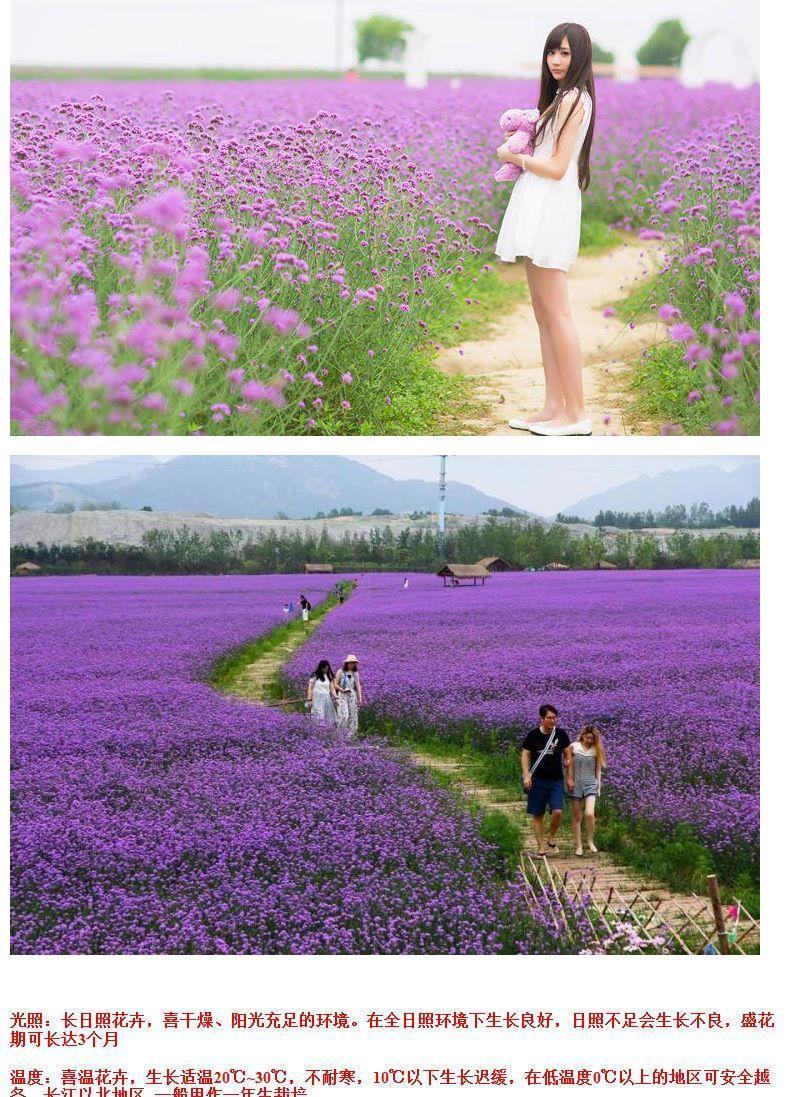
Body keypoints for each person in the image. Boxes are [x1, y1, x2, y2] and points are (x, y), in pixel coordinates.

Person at [494, 22, 596, 437]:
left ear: (581, 58)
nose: (556, 60)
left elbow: (556, 168)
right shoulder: (559, 98)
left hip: (550, 203)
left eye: (566, 53)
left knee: (557, 312)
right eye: (553, 51)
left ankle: (577, 415)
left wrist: (512, 157)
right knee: (542, 313)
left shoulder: (575, 99)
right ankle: (553, 406)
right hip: (537, 202)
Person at [521, 703, 573, 856]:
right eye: (549, 718)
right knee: (538, 815)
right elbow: (525, 755)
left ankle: (550, 836)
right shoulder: (533, 735)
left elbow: (568, 753)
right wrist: (526, 774)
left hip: (556, 780)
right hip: (537, 780)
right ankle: (540, 847)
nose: (552, 720)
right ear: (541, 719)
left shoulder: (561, 734)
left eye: (554, 718)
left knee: (558, 811)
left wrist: (569, 774)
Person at [565, 724, 605, 855]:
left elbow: (598, 770)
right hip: (576, 785)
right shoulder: (574, 747)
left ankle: (590, 841)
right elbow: (567, 764)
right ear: (582, 736)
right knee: (577, 816)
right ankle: (578, 845)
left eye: (592, 738)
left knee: (589, 813)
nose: (590, 741)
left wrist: (598, 785)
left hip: (590, 784)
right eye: (588, 738)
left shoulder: (596, 750)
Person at [335, 655, 363, 738]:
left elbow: (358, 686)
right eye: (351, 663)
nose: (352, 664)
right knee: (344, 715)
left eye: (354, 663)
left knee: (352, 716)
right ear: (346, 663)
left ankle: (350, 737)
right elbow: (335, 684)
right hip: (342, 695)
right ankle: (340, 735)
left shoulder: (355, 673)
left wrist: (360, 698)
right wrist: (342, 690)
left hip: (352, 696)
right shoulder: (340, 671)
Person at [306, 660, 338, 726]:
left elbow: (332, 689)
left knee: (326, 717)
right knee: (318, 716)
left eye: (327, 668)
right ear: (321, 668)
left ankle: (324, 732)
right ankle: (318, 731)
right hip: (317, 699)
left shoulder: (329, 676)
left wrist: (336, 698)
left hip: (326, 699)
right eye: (324, 668)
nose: (326, 670)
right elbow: (310, 688)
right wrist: (309, 699)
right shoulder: (315, 676)